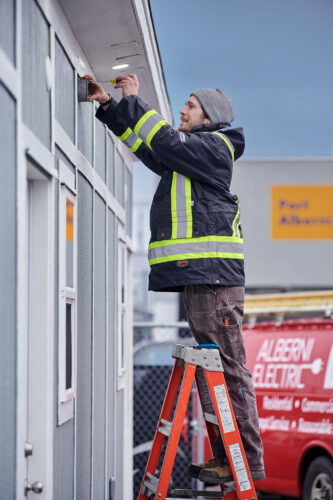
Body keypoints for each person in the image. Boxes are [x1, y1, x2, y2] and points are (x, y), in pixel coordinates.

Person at [86, 73, 265, 484]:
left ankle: (246, 463)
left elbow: (164, 140)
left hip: (215, 280)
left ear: (209, 118)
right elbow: (153, 151)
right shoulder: (190, 155)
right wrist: (111, 108)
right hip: (202, 280)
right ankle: (226, 458)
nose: (182, 110)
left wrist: (133, 99)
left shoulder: (216, 148)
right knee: (213, 371)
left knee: (229, 371)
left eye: (190, 106)